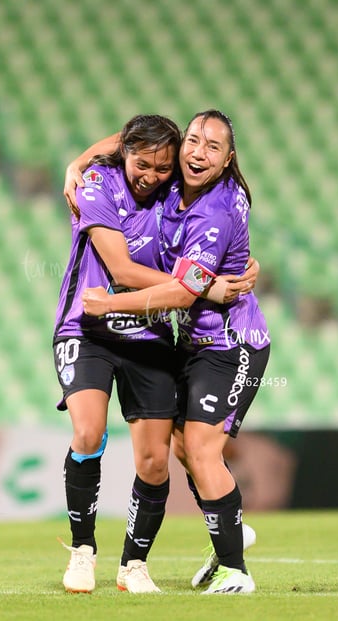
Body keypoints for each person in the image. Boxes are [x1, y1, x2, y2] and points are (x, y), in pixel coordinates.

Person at [55, 113, 258, 594]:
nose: (150, 175)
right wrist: (77, 161)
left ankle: (135, 565)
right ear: (124, 154)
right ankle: (83, 551)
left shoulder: (178, 189)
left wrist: (207, 279)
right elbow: (122, 268)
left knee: (156, 461)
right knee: (88, 431)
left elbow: (172, 161)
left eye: (160, 167)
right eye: (141, 164)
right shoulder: (98, 184)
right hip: (87, 330)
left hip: (150, 338)